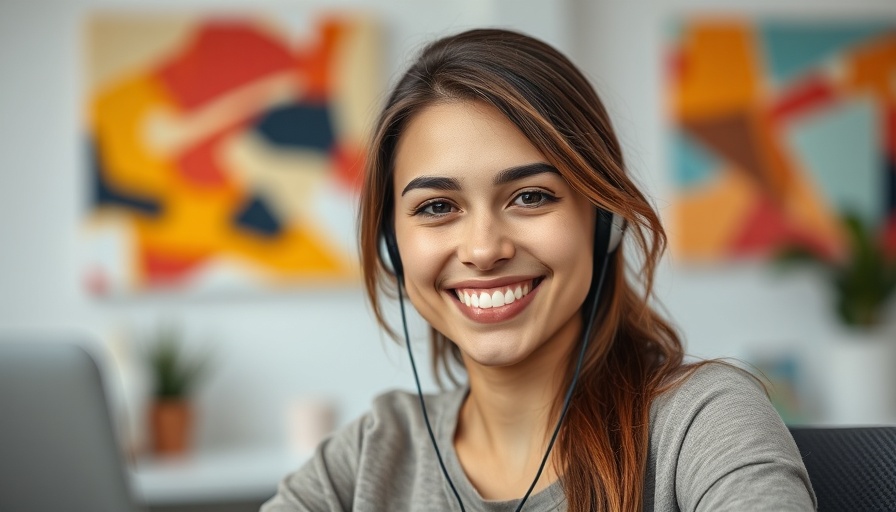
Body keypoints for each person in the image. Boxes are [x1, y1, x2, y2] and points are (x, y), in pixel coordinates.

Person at [262, 29, 816, 512]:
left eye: (529, 196)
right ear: (392, 245)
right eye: (437, 207)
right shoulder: (371, 456)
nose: (483, 250)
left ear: (605, 223)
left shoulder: (702, 421)